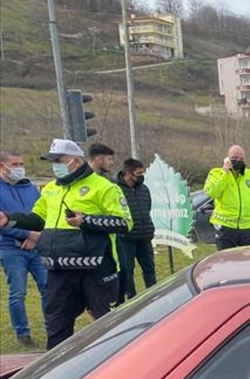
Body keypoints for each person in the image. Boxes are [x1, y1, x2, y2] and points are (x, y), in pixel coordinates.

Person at [0, 138, 131, 349]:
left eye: (59, 160)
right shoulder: (51, 188)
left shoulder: (104, 187)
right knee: (57, 326)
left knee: (106, 324)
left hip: (95, 268)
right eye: (52, 160)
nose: (55, 165)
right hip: (59, 267)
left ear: (76, 161)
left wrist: (86, 221)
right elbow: (38, 218)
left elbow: (125, 223)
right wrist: (9, 217)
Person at [0, 150, 48, 347]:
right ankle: (23, 333)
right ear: (3, 166)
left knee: (48, 288)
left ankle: (52, 327)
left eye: (21, 164)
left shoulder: (31, 188)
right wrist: (27, 235)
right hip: (10, 249)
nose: (20, 168)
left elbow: (41, 215)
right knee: (18, 292)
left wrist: (36, 238)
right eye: (15, 164)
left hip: (37, 248)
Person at [203, 144, 250, 249]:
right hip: (225, 228)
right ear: (227, 158)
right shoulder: (216, 173)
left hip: (248, 229)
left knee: (246, 262)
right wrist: (225, 173)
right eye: (234, 158)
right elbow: (212, 192)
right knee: (225, 262)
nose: (238, 161)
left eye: (241, 159)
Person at [115, 158, 156, 303]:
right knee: (127, 270)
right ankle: (132, 299)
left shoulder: (144, 189)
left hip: (144, 237)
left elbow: (147, 208)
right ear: (128, 174)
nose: (141, 176)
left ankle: (154, 296)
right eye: (139, 173)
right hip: (126, 238)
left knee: (149, 268)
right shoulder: (115, 189)